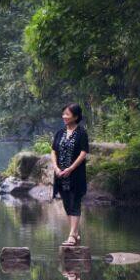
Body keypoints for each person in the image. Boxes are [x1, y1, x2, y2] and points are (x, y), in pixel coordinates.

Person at [52, 103, 90, 246]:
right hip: (60, 175)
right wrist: (56, 167)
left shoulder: (81, 133)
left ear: (75, 116)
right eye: (64, 114)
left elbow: (83, 152)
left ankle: (72, 235)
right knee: (67, 204)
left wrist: (71, 168)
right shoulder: (60, 133)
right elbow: (53, 150)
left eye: (67, 114)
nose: (64, 116)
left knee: (75, 203)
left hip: (75, 175)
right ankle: (74, 233)